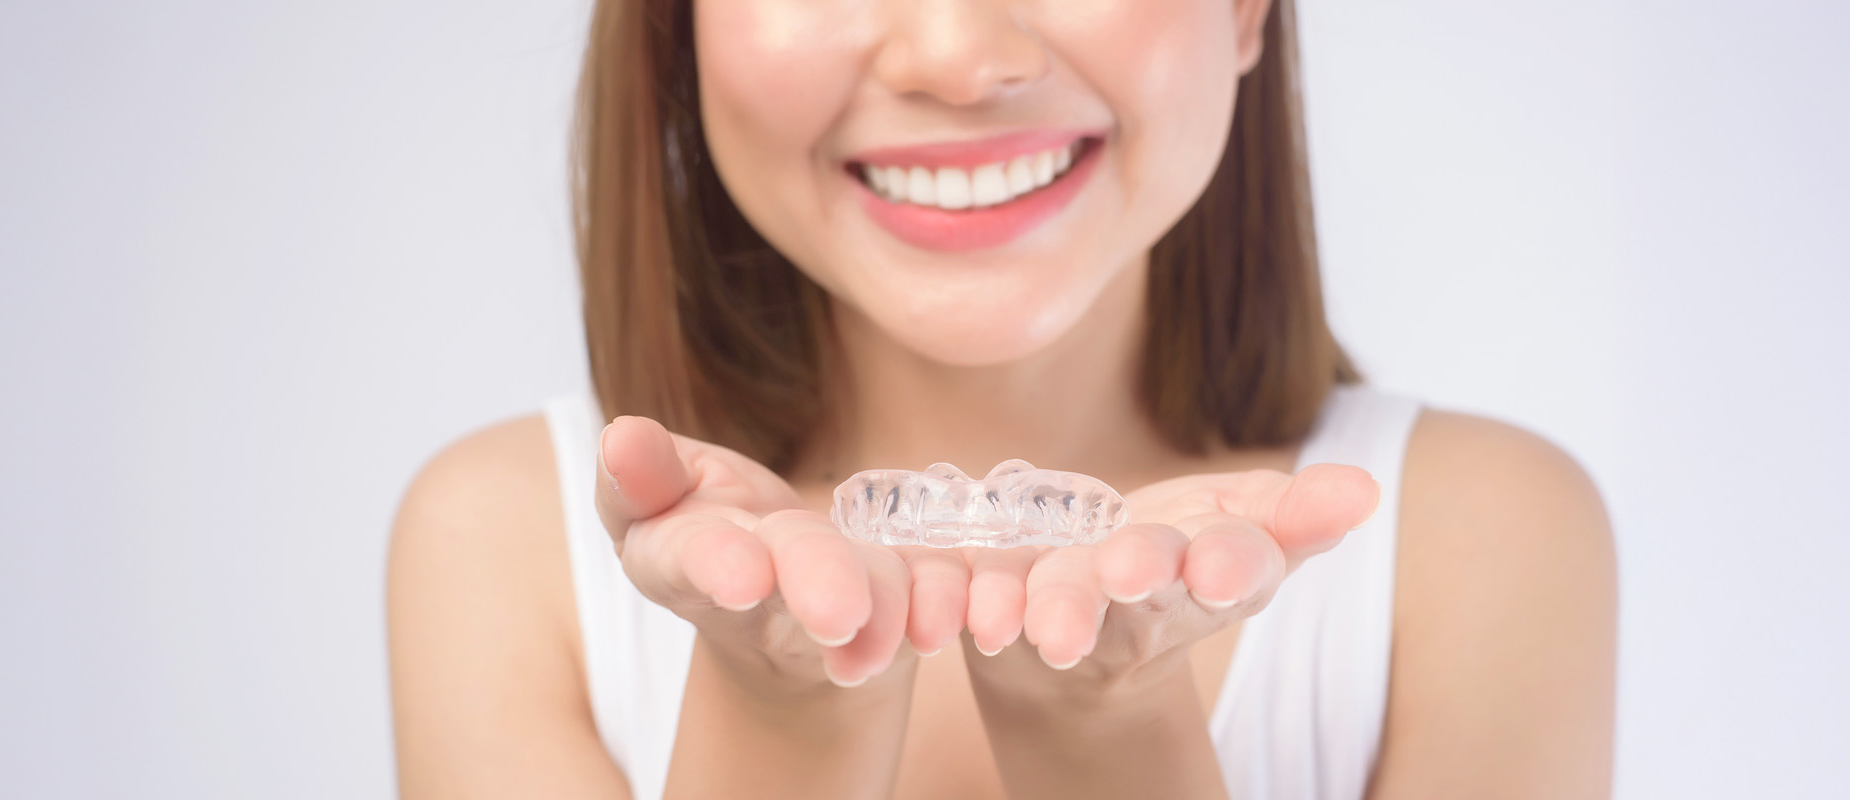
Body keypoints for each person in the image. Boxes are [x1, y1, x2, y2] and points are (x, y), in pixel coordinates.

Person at [385, 0, 1618, 796]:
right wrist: (784, 718)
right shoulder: (500, 549)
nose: (957, 57)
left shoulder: (1479, 543)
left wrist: (1110, 729)